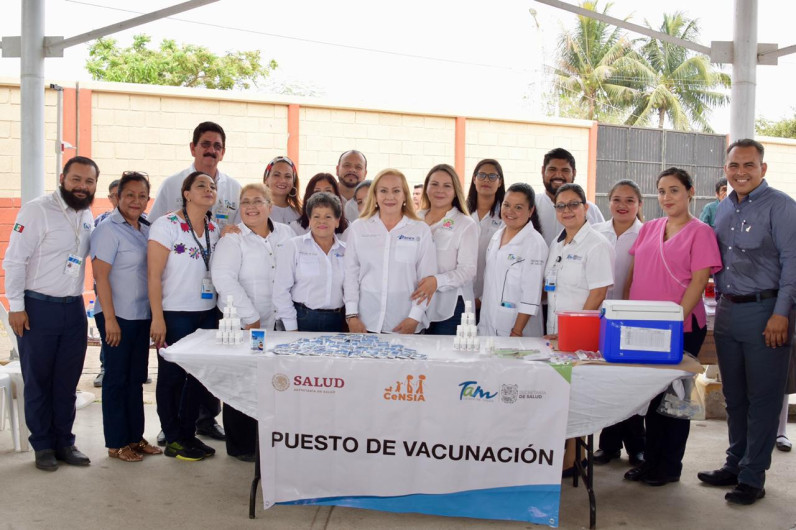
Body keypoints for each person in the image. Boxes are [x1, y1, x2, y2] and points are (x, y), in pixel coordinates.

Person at [698, 139, 796, 505]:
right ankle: (734, 464)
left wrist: (781, 313)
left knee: (763, 399)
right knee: (735, 397)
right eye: (734, 166)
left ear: (762, 169)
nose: (741, 172)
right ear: (725, 170)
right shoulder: (722, 209)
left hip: (766, 312)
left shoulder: (782, 207)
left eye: (748, 165)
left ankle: (753, 477)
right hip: (727, 311)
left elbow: (792, 264)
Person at [623, 167, 721, 487]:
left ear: (690, 192)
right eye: (662, 191)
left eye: (674, 190)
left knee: (675, 400)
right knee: (652, 398)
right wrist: (626, 311)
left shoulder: (701, 232)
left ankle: (669, 467)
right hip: (644, 327)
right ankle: (650, 461)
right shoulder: (649, 228)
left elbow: (699, 281)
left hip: (681, 327)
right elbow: (634, 273)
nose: (667, 197)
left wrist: (675, 320)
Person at [3, 156, 99, 471]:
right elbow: (15, 260)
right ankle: (43, 445)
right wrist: (16, 307)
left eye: (89, 181)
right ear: (62, 178)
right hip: (37, 308)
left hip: (73, 309)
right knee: (39, 380)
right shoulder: (37, 210)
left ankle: (65, 443)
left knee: (67, 381)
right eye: (76, 179)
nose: (82, 186)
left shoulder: (86, 214)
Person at [210, 182, 294, 461]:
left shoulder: (286, 234)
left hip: (279, 323)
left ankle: (268, 441)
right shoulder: (233, 239)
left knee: (272, 382)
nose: (251, 207)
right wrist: (250, 317)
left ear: (270, 205)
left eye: (258, 201)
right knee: (242, 381)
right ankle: (241, 446)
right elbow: (223, 278)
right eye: (245, 202)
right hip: (246, 324)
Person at [148, 171, 221, 462]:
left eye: (212, 186)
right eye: (201, 185)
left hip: (206, 315)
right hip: (175, 313)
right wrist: (157, 318)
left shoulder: (215, 228)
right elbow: (153, 275)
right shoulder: (166, 225)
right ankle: (173, 438)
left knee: (198, 378)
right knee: (172, 377)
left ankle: (188, 434)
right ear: (186, 194)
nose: (208, 189)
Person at [91, 171, 162, 462]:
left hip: (140, 315)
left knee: (135, 379)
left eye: (142, 196)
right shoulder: (107, 229)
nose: (136, 200)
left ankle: (135, 437)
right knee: (116, 379)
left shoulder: (146, 228)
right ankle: (117, 442)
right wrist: (110, 320)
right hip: (116, 316)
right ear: (118, 197)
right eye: (130, 195)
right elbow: (100, 277)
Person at [592, 180, 645, 467]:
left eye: (629, 200)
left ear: (639, 204)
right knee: (604, 383)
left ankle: (637, 447)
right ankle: (608, 445)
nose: (622, 205)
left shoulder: (647, 234)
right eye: (616, 199)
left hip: (631, 317)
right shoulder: (595, 232)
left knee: (629, 384)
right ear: (608, 201)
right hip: (598, 315)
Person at [344, 168, 437, 334]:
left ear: (404, 195)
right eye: (383, 191)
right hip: (365, 324)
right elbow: (351, 275)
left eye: (396, 191)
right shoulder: (358, 228)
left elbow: (426, 280)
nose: (390, 197)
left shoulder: (420, 230)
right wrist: (351, 316)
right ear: (375, 195)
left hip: (406, 323)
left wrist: (414, 318)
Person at [413, 164, 478, 335]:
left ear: (455, 191)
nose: (439, 190)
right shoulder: (415, 219)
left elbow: (468, 270)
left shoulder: (466, 224)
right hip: (416, 304)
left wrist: (437, 281)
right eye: (434, 184)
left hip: (452, 307)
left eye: (447, 186)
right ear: (426, 187)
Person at [544, 183, 614, 336]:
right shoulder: (556, 243)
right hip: (555, 331)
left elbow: (598, 294)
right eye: (560, 206)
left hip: (580, 333)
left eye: (574, 204)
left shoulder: (597, 244)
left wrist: (573, 330)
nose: (566, 210)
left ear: (586, 207)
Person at [478, 183, 547, 337]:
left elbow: (531, 293)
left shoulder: (534, 243)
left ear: (530, 211)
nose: (510, 211)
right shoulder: (497, 236)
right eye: (506, 205)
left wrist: (517, 330)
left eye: (518, 207)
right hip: (488, 322)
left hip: (516, 329)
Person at [274, 192, 347, 332]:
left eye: (328, 216)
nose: (322, 221)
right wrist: (291, 327)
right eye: (316, 216)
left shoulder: (347, 251)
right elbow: (281, 290)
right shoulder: (293, 246)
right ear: (309, 220)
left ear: (337, 221)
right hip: (302, 318)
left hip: (338, 320)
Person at [149, 121, 241, 228]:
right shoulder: (170, 185)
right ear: (193, 148)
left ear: (222, 153)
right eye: (205, 144)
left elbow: (241, 230)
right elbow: (152, 226)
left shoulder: (235, 189)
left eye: (217, 146)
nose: (211, 150)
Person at [536, 148, 604, 246]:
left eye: (565, 170)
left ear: (574, 173)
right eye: (552, 169)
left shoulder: (590, 210)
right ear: (543, 171)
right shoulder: (531, 206)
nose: (558, 175)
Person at [465, 158, 505, 315]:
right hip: (461, 296)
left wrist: (482, 298)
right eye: (481, 175)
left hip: (491, 297)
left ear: (500, 182)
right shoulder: (462, 213)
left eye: (492, 176)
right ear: (474, 179)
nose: (486, 180)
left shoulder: (506, 216)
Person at [94, 177, 121, 388]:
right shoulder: (101, 222)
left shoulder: (146, 222)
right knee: (110, 334)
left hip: (135, 299)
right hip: (106, 288)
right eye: (115, 195)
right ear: (110, 198)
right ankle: (105, 368)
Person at [263, 155, 302, 224]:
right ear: (266, 179)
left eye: (288, 176)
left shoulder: (300, 214)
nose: (282, 180)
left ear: (293, 182)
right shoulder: (255, 210)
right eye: (276, 175)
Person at [336, 150, 368, 222]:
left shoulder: (373, 203)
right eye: (347, 165)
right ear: (337, 170)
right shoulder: (324, 197)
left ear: (365, 174)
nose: (352, 170)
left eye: (358, 167)